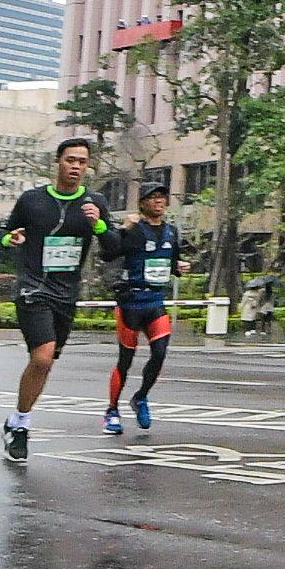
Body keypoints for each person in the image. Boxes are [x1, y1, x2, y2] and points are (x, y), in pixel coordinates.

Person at [0, 136, 113, 467]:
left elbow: (113, 248)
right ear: (58, 162)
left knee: (46, 362)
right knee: (43, 357)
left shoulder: (94, 202)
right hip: (33, 289)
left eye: (82, 162)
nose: (76, 166)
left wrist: (98, 225)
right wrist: (10, 239)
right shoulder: (32, 200)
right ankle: (21, 425)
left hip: (66, 294)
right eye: (70, 160)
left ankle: (14, 420)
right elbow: (4, 235)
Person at [102, 176, 181, 437]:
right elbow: (108, 253)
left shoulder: (171, 231)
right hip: (131, 302)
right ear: (143, 203)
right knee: (125, 360)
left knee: (160, 353)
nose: (159, 201)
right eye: (153, 197)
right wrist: (122, 230)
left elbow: (171, 261)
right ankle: (112, 410)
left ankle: (141, 397)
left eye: (162, 197)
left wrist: (178, 267)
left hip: (155, 301)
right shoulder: (135, 229)